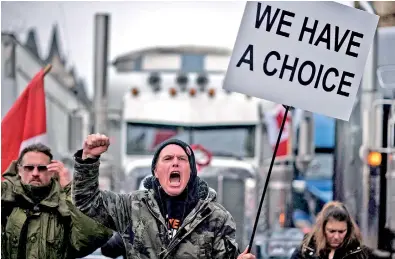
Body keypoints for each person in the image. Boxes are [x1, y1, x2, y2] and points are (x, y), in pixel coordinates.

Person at [72, 133, 257, 259]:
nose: (175, 163)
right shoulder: (131, 207)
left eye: (182, 159)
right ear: (156, 171)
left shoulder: (217, 217)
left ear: (192, 171)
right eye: (167, 159)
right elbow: (87, 202)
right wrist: (88, 160)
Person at [1, 143, 113, 259]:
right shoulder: (5, 197)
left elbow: (95, 234)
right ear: (19, 170)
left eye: (42, 168)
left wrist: (69, 188)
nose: (35, 173)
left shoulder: (64, 204)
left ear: (52, 171)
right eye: (29, 168)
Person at [290, 201, 374, 259]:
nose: (336, 236)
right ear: (322, 230)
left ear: (348, 230)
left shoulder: (361, 254)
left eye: (341, 232)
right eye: (331, 231)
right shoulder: (304, 253)